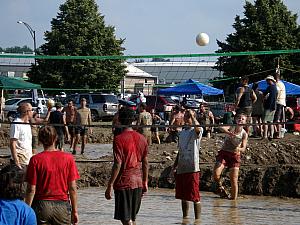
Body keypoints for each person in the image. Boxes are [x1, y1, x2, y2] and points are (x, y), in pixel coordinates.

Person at [25, 125, 80, 225]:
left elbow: (31, 189)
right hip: (62, 205)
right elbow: (72, 188)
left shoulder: (35, 160)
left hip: (41, 205)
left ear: (40, 140)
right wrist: (75, 211)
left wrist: (26, 210)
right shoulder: (68, 158)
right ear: (56, 138)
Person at [105, 107, 148, 225]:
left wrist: (110, 184)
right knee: (132, 218)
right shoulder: (142, 138)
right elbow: (145, 162)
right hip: (138, 181)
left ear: (119, 120)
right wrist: (145, 181)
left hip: (124, 182)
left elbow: (118, 163)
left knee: (126, 219)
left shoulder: (118, 139)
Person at [172, 109, 203, 222]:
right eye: (186, 116)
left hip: (192, 167)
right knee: (183, 196)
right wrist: (174, 166)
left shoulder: (195, 131)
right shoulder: (182, 133)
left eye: (188, 116)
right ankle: (185, 219)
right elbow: (180, 151)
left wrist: (193, 117)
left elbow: (198, 129)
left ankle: (197, 220)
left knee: (195, 196)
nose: (186, 118)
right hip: (182, 166)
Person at [213, 113, 248, 200]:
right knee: (216, 174)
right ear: (236, 120)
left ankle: (233, 201)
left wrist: (239, 149)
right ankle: (221, 189)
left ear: (245, 122)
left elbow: (244, 148)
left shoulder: (244, 134)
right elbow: (220, 127)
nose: (240, 120)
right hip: (224, 153)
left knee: (234, 179)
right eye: (239, 118)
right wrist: (228, 133)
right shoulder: (231, 126)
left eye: (242, 119)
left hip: (234, 155)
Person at [10, 102, 34, 170]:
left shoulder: (27, 123)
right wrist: (16, 162)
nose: (33, 112)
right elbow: (12, 143)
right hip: (20, 161)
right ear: (27, 112)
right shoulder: (16, 123)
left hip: (27, 160)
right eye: (32, 110)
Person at [262, 75, 278, 139]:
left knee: (265, 121)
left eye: (267, 80)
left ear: (270, 80)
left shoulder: (270, 87)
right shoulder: (275, 88)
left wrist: (264, 99)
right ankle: (271, 135)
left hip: (268, 106)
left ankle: (265, 135)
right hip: (274, 106)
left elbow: (264, 95)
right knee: (270, 121)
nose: (266, 82)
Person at [274, 72, 286, 138]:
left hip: (278, 102)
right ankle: (278, 133)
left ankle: (278, 134)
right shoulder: (282, 83)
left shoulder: (277, 84)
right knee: (277, 118)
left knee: (277, 119)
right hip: (282, 102)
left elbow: (277, 92)